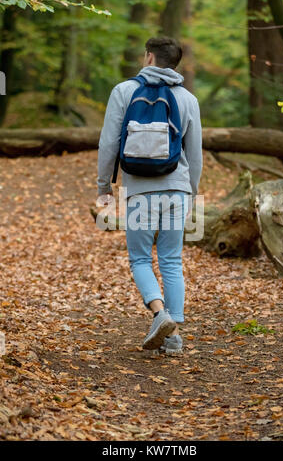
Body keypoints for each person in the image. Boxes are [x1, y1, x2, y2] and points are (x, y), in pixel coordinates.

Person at [97, 36, 202, 354]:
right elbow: (194, 153)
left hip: (139, 191)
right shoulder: (187, 98)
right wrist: (192, 191)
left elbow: (108, 144)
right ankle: (173, 336)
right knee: (171, 260)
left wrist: (104, 186)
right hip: (176, 190)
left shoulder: (124, 91)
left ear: (149, 58)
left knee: (141, 258)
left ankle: (159, 315)